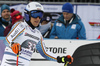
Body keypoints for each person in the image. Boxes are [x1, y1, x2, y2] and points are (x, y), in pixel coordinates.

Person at [1, 2, 73, 66]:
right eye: (35, 14)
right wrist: (12, 44)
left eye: (40, 15)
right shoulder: (20, 26)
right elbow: (7, 39)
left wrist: (60, 59)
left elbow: (44, 53)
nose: (38, 18)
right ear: (27, 15)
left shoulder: (38, 34)